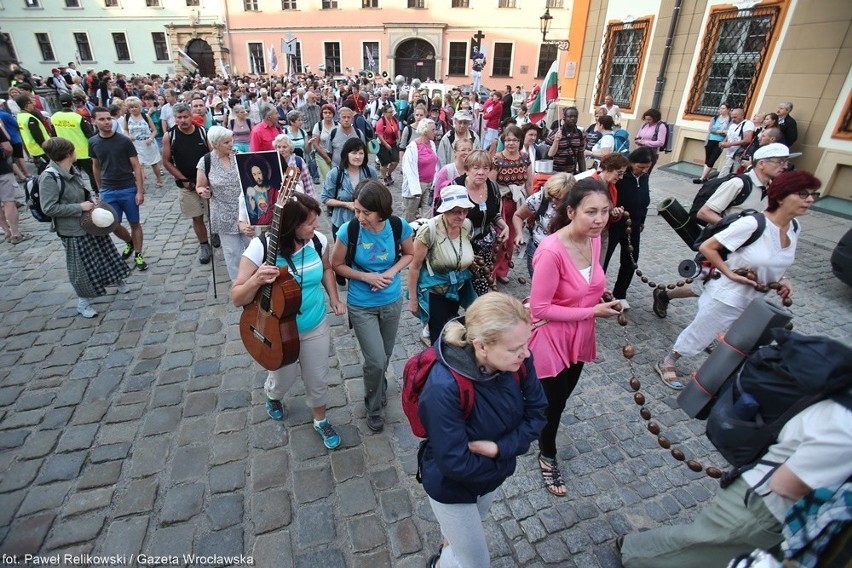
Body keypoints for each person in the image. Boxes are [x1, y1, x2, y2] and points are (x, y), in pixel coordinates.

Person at [619, 395, 852, 568]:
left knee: (703, 543)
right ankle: (634, 552)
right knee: (701, 546)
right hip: (766, 502)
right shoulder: (846, 428)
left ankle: (635, 549)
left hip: (763, 492)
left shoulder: (842, 409)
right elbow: (786, 485)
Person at [655, 170, 820, 389]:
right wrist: (730, 272)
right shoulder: (752, 224)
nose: (809, 200)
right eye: (802, 194)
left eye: (813, 195)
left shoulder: (794, 229)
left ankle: (720, 371)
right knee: (702, 329)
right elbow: (707, 246)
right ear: (781, 196)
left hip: (755, 299)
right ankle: (669, 360)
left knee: (738, 338)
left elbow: (778, 260)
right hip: (727, 293)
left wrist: (784, 279)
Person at [418, 292, 547, 568]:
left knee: (458, 537)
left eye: (526, 343)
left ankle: (443, 558)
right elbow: (454, 462)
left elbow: (538, 414)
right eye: (515, 348)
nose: (525, 353)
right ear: (481, 346)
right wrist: (506, 459)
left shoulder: (519, 362)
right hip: (450, 489)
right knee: (475, 562)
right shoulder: (445, 388)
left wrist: (500, 449)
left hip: (487, 479)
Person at [527, 178, 622, 496]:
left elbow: (592, 276)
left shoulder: (594, 239)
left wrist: (600, 291)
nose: (599, 219)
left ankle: (531, 414)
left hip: (579, 335)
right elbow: (540, 308)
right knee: (553, 405)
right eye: (591, 212)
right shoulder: (551, 251)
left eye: (605, 211)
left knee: (562, 398)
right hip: (553, 340)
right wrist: (593, 312)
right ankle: (547, 454)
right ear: (570, 212)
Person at [231, 193, 346, 450]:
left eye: (316, 221)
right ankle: (273, 394)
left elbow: (327, 268)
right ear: (290, 226)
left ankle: (320, 419)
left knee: (317, 378)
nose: (316, 227)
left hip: (314, 324)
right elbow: (237, 297)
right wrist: (257, 280)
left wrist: (335, 298)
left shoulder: (318, 241)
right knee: (284, 378)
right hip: (276, 331)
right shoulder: (261, 247)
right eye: (309, 223)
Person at [331, 180, 414, 432]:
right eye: (357, 210)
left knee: (385, 355)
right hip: (361, 304)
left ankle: (377, 385)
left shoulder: (399, 226)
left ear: (382, 210)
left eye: (366, 212)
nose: (360, 217)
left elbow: (409, 254)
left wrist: (390, 272)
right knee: (376, 360)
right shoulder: (350, 230)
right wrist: (367, 277)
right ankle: (374, 406)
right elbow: (336, 264)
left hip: (391, 301)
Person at [40, 137, 130, 318]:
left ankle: (117, 280)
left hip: (91, 223)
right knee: (82, 268)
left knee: (106, 254)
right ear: (68, 153)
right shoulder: (49, 177)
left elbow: (80, 192)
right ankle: (83, 302)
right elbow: (48, 208)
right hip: (73, 230)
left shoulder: (72, 169)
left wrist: (90, 200)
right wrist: (79, 207)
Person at [408, 185, 477, 344]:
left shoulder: (466, 226)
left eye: (465, 210)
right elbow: (414, 266)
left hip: (457, 289)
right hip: (435, 293)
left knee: (451, 324)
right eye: (456, 211)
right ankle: (437, 363)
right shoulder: (429, 231)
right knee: (439, 336)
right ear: (445, 210)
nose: (461, 216)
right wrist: (413, 300)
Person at [89, 106, 147, 271]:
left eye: (109, 118)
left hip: (127, 187)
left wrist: (139, 190)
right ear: (94, 121)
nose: (107, 122)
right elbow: (96, 167)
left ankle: (138, 253)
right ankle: (129, 241)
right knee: (112, 224)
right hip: (108, 189)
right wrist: (100, 190)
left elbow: (136, 166)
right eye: (102, 119)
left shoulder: (124, 141)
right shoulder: (93, 142)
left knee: (134, 222)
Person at [194, 126, 254, 282]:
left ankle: (256, 279)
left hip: (245, 211)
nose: (231, 144)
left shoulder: (239, 156)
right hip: (222, 213)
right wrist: (203, 191)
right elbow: (200, 185)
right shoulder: (206, 161)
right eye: (226, 142)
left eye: (231, 140)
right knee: (232, 252)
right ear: (215, 144)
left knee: (253, 248)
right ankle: (238, 283)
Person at [162, 102, 213, 265]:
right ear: (175, 118)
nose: (182, 120)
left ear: (191, 116)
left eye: (185, 117)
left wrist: (208, 178)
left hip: (206, 182)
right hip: (186, 184)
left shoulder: (203, 133)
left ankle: (216, 232)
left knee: (212, 212)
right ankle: (204, 245)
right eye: (179, 117)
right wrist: (183, 179)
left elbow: (212, 156)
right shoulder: (170, 136)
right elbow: (167, 161)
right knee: (196, 216)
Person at [603, 148, 653, 304]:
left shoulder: (644, 177)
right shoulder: (622, 176)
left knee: (630, 260)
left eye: (647, 167)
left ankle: (620, 293)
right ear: (632, 163)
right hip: (615, 223)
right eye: (640, 167)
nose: (644, 170)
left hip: (634, 225)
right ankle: (597, 290)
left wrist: (642, 220)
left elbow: (644, 199)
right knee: (604, 257)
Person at [512, 172, 575, 276]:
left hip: (565, 253)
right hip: (538, 248)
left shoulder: (578, 205)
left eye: (559, 198)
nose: (554, 200)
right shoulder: (540, 198)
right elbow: (518, 216)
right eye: (551, 196)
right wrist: (519, 234)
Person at [491, 125, 531, 284]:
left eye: (514, 140)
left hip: (518, 204)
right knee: (499, 238)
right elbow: (492, 185)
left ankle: (503, 270)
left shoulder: (525, 158)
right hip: (502, 203)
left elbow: (529, 183)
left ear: (520, 141)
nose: (511, 143)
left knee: (512, 239)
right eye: (508, 140)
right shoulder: (497, 159)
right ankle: (491, 273)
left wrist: (532, 204)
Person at [50, 93, 97, 192]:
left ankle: (77, 192)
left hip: (65, 151)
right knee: (92, 174)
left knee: (71, 175)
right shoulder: (78, 117)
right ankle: (96, 192)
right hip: (83, 151)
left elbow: (53, 135)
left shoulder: (54, 117)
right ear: (72, 103)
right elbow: (90, 134)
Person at [400, 118, 438, 222]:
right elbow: (408, 168)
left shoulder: (432, 144)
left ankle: (425, 233)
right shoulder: (413, 147)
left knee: (428, 213)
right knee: (410, 214)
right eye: (433, 130)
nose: (435, 132)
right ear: (425, 131)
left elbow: (435, 164)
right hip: (416, 186)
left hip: (429, 184)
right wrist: (415, 189)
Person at [123, 97, 163, 188]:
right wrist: (128, 136)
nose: (133, 109)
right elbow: (125, 130)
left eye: (135, 107)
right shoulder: (127, 117)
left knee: (154, 163)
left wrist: (151, 138)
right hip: (135, 144)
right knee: (139, 165)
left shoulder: (146, 116)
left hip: (147, 143)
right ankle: (141, 186)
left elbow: (154, 130)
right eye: (131, 107)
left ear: (139, 107)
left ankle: (159, 179)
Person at [0, 125, 30, 244]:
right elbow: (8, 147)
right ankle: (15, 234)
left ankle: (6, 232)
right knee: (8, 202)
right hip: (2, 170)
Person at [432, 137, 473, 215]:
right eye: (463, 150)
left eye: (469, 150)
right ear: (455, 152)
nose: (467, 153)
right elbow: (436, 196)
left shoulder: (473, 171)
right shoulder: (446, 171)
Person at [693, 103, 731, 183]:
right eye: (720, 108)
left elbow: (729, 132)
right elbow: (711, 129)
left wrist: (718, 130)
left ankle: (701, 178)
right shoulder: (715, 118)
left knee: (712, 160)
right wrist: (722, 131)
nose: (721, 110)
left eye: (723, 108)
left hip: (720, 142)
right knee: (707, 160)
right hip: (710, 140)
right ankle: (705, 178)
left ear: (728, 110)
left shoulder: (730, 120)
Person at [15, 95, 52, 174]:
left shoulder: (20, 116)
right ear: (26, 105)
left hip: (32, 149)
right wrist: (46, 147)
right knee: (47, 171)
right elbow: (37, 136)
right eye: (31, 102)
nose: (33, 104)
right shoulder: (30, 118)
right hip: (41, 149)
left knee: (42, 170)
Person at [545, 107, 586, 175]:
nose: (573, 119)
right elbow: (547, 153)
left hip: (571, 173)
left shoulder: (579, 134)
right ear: (564, 117)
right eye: (570, 116)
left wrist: (583, 174)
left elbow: (580, 156)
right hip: (555, 172)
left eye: (575, 116)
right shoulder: (556, 133)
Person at [718, 107, 755, 176]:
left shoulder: (747, 124)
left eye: (735, 117)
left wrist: (730, 144)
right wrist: (723, 143)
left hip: (738, 155)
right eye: (731, 117)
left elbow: (747, 139)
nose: (733, 119)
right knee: (723, 174)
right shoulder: (732, 125)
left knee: (733, 174)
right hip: (729, 154)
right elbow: (729, 136)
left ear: (742, 116)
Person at [375, 105, 400, 185]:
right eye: (389, 112)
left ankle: (388, 174)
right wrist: (386, 144)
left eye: (392, 112)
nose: (391, 114)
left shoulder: (394, 120)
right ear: (384, 113)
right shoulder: (381, 122)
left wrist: (399, 138)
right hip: (382, 144)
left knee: (395, 161)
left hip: (393, 143)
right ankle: (384, 177)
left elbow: (398, 129)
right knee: (384, 162)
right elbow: (379, 134)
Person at [312, 104, 337, 185]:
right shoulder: (318, 126)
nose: (327, 115)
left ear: (333, 113)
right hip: (321, 155)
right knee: (328, 177)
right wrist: (326, 157)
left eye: (329, 112)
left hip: (335, 155)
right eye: (325, 112)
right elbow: (315, 144)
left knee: (336, 177)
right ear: (322, 114)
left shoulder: (338, 125)